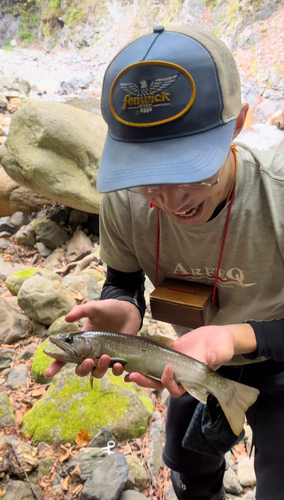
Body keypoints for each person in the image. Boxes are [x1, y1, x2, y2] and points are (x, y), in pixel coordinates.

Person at [46, 26, 284, 500]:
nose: (172, 201)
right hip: (189, 360)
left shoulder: (277, 192)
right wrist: (123, 306)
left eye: (189, 169)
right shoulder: (120, 198)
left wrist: (234, 336)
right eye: (147, 179)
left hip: (278, 356)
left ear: (237, 125)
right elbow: (122, 280)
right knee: (186, 461)